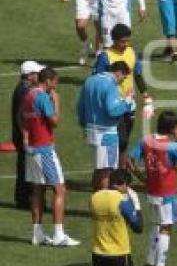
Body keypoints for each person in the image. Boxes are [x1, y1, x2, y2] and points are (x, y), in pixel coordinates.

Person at [22, 67, 80, 246]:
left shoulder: (28, 95)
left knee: (38, 190)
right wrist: (56, 102)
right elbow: (54, 122)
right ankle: (58, 235)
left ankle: (37, 234)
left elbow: (21, 117)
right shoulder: (42, 97)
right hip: (44, 149)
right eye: (55, 82)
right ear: (48, 81)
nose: (56, 85)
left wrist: (26, 137)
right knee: (59, 189)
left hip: (31, 148)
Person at [129, 111, 177, 266]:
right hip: (167, 192)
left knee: (156, 226)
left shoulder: (146, 140)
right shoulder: (171, 145)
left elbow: (130, 161)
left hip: (152, 190)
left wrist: (142, 179)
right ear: (172, 128)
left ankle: (149, 263)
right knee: (166, 228)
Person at [93, 24, 153, 170]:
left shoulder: (131, 52)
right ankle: (114, 170)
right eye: (122, 41)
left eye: (127, 41)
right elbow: (97, 80)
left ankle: (121, 172)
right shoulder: (105, 57)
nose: (125, 44)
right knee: (121, 139)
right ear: (114, 40)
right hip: (113, 106)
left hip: (129, 104)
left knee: (125, 141)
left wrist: (145, 94)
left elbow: (137, 74)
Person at [77, 61, 134, 191]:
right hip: (106, 134)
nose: (122, 81)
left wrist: (84, 124)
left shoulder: (90, 80)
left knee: (99, 168)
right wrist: (128, 101)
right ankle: (103, 205)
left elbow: (80, 106)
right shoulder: (110, 84)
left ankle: (96, 201)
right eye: (123, 78)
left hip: (91, 130)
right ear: (119, 72)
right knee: (107, 171)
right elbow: (113, 111)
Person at [12, 61, 43, 209]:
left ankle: (22, 199)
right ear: (30, 75)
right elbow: (22, 116)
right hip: (26, 137)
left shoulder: (22, 88)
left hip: (21, 135)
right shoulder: (25, 91)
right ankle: (27, 200)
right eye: (37, 73)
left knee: (24, 167)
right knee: (28, 168)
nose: (39, 76)